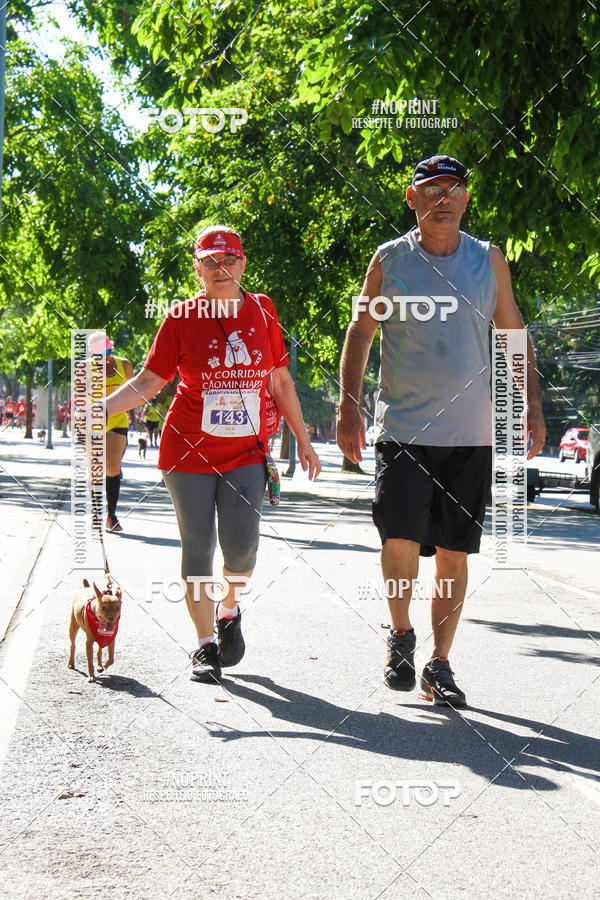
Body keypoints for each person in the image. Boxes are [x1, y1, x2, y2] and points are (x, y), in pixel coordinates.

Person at [337, 155, 546, 708]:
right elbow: (361, 333)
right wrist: (348, 407)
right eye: (432, 189)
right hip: (404, 429)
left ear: (466, 199)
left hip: (471, 433)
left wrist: (531, 404)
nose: (444, 199)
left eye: (454, 189)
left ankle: (440, 664)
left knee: (455, 552)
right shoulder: (391, 260)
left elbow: (512, 332)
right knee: (399, 537)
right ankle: (401, 635)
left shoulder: (488, 260)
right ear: (413, 199)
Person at [105, 225, 321, 683]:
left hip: (246, 451)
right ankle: (204, 646)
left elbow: (280, 380)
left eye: (229, 260)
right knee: (197, 549)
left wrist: (302, 438)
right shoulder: (180, 318)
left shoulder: (262, 312)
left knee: (242, 551)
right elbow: (148, 382)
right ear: (197, 268)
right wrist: (94, 409)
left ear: (243, 264)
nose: (220, 269)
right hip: (186, 450)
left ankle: (229, 607)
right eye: (210, 261)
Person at [88, 332, 134, 532]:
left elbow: (133, 392)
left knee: (112, 467)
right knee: (97, 469)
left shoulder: (124, 365)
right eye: (98, 354)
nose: (103, 358)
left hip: (117, 420)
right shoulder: (86, 368)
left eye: (107, 352)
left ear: (111, 349)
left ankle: (111, 516)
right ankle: (97, 513)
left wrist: (133, 414)